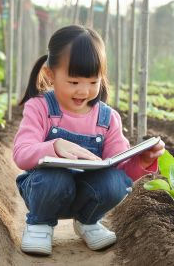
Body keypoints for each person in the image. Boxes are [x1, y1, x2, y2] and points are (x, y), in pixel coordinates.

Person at [13, 25, 165, 256]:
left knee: (115, 181)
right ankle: (39, 224)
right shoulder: (40, 107)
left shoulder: (107, 118)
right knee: (54, 176)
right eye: (74, 82)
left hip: (87, 195)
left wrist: (142, 161)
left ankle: (88, 222)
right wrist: (54, 146)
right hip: (45, 192)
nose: (83, 91)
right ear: (49, 74)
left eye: (93, 82)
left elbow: (121, 170)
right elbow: (21, 154)